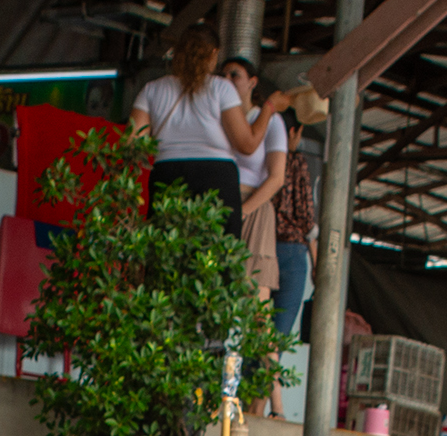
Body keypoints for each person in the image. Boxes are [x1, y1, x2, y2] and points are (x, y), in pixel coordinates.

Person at [128, 30, 273, 224]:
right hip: (216, 177)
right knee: (216, 250)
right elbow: (247, 145)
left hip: (168, 173)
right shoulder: (221, 88)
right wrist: (269, 108)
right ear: (213, 54)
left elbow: (132, 145)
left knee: (167, 250)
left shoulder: (152, 89)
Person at [215, 56, 291, 303]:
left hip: (254, 206)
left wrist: (244, 211)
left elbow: (276, 177)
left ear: (252, 83)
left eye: (234, 75)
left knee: (254, 292)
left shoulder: (272, 121)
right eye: (223, 75)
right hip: (220, 202)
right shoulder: (220, 118)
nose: (227, 80)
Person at [266, 85, 327, 342]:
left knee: (254, 330)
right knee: (277, 337)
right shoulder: (296, 162)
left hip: (262, 248)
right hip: (291, 253)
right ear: (294, 132)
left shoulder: (262, 158)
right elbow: (305, 216)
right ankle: (267, 381)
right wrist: (315, 262)